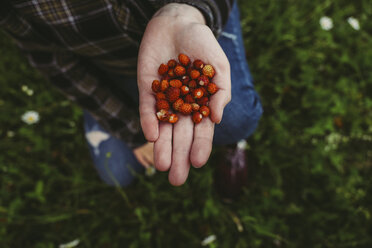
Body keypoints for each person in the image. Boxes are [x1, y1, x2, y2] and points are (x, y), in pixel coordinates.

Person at [0, 0, 263, 187]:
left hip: (194, 20)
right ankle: (103, 104)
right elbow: (50, 58)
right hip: (107, 64)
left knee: (237, 119)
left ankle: (232, 141)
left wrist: (188, 12)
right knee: (116, 172)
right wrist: (131, 131)